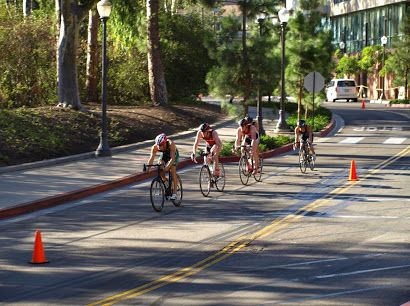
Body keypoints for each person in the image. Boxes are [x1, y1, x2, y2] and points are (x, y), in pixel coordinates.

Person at [145, 133, 179, 200]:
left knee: (172, 170)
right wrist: (148, 169)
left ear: (164, 143)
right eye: (158, 145)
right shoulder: (155, 147)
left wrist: (167, 166)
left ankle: (175, 193)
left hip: (173, 154)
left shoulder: (170, 144)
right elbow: (151, 158)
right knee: (160, 165)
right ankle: (165, 180)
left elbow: (172, 158)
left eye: (161, 145)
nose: (159, 147)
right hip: (164, 154)